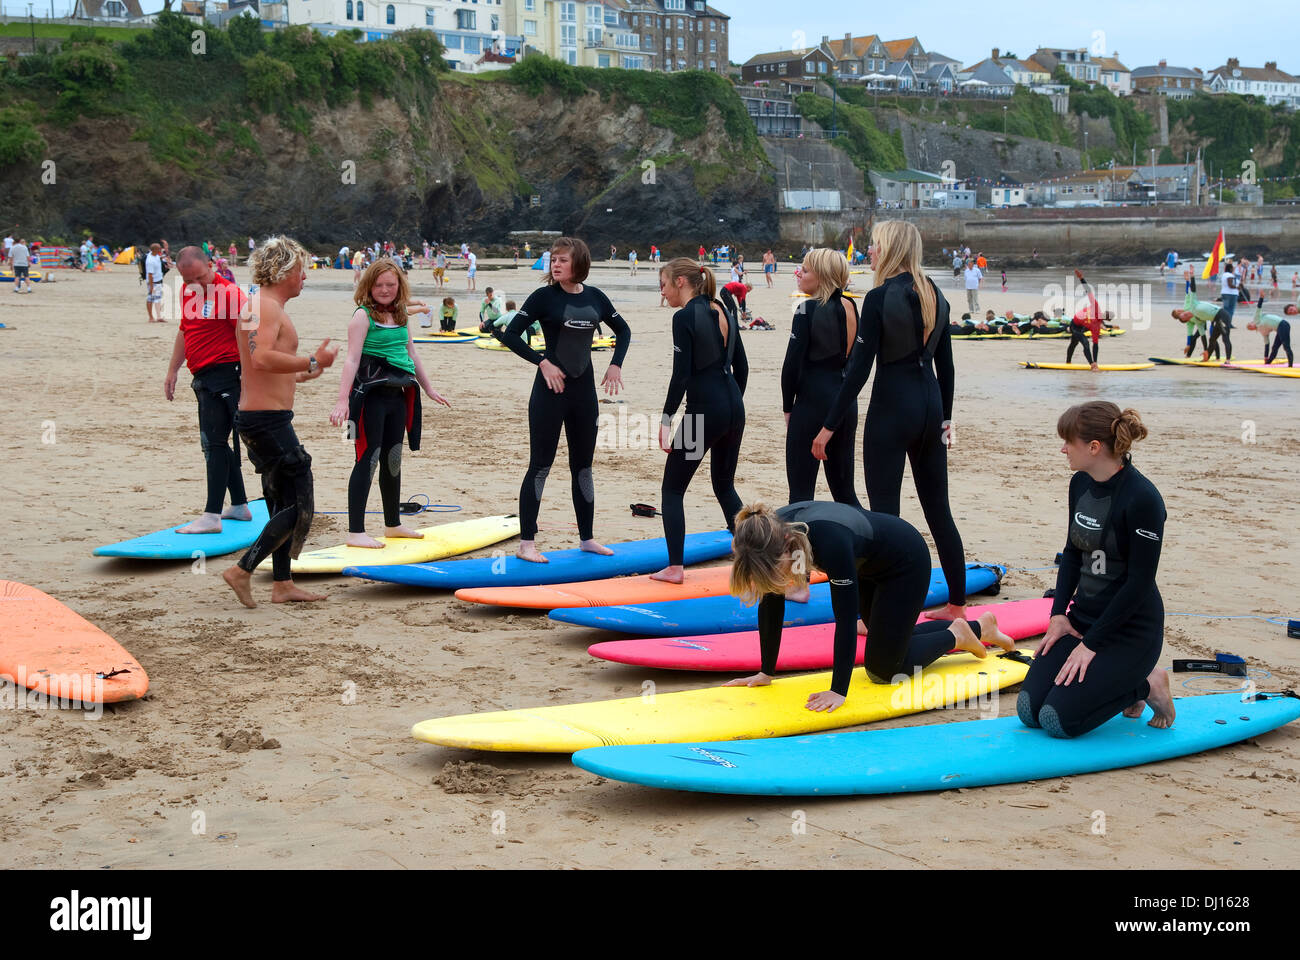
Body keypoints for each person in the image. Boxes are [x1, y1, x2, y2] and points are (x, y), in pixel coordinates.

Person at [812, 220, 969, 623]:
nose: (871, 251)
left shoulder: (881, 297)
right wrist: (947, 419)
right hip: (931, 408)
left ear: (892, 249)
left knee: (884, 519)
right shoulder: (937, 294)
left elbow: (859, 370)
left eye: (876, 245)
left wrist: (828, 426)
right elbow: (948, 369)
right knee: (939, 511)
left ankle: (879, 613)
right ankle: (956, 605)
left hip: (891, 411)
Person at [724, 502, 1014, 712]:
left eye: (778, 567)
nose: (781, 576)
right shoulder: (768, 536)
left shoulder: (828, 542)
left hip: (904, 563)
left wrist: (838, 690)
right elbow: (772, 599)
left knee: (883, 670)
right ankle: (978, 627)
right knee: (887, 639)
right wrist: (766, 672)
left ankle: (957, 635)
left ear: (787, 545)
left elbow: (846, 619)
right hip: (866, 565)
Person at [1018, 403, 1173, 737]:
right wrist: (1059, 615)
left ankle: (1146, 685)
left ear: (1093, 447)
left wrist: (1091, 645)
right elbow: (1073, 552)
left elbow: (1139, 582)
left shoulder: (1143, 499)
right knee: (1029, 711)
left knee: (1057, 721)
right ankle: (1122, 680)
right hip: (1081, 619)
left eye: (1068, 441)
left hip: (1129, 631)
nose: (1062, 448)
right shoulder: (1080, 483)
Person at [499, 237, 631, 563]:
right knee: (540, 466)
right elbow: (510, 334)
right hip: (549, 392)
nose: (555, 264)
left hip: (584, 394)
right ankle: (526, 543)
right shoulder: (544, 297)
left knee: (583, 469)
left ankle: (587, 538)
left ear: (579, 263)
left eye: (562, 260)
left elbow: (624, 331)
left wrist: (615, 364)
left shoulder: (596, 297)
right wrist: (542, 361)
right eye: (553, 259)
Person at [221, 236, 337, 608]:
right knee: (301, 499)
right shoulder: (262, 305)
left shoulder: (268, 305)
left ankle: (283, 584)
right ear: (286, 270)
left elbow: (272, 369)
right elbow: (261, 359)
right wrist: (309, 360)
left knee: (279, 498)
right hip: (264, 420)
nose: (306, 277)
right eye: (302, 269)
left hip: (266, 416)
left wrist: (310, 370)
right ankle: (242, 570)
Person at [329, 259, 451, 549]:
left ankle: (393, 524)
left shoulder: (401, 315)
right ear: (369, 286)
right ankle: (355, 531)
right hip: (369, 398)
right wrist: (341, 400)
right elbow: (351, 360)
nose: (385, 289)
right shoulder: (362, 316)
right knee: (367, 459)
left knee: (393, 459)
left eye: (391, 285)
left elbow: (411, 354)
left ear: (399, 287)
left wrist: (429, 388)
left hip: (398, 396)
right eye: (379, 284)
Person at [650, 258, 748, 584]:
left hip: (703, 412)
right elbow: (742, 366)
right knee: (724, 486)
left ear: (680, 282)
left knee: (672, 489)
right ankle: (757, 557)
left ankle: (675, 567)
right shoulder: (723, 308)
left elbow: (681, 375)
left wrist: (666, 420)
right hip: (734, 406)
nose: (662, 293)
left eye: (663, 285)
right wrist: (730, 404)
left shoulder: (684, 317)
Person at [162, 246, 253, 534]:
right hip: (202, 376)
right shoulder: (188, 292)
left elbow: (253, 334)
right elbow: (185, 331)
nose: (196, 285)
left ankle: (212, 515)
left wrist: (250, 378)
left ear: (212, 265)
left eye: (200, 277)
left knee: (214, 444)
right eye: (189, 280)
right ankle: (238, 505)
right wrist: (173, 369)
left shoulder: (230, 293)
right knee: (217, 443)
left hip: (230, 375)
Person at [782, 248, 861, 508]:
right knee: (844, 492)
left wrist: (787, 408)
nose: (799, 274)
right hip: (845, 405)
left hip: (812, 404)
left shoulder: (806, 309)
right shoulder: (851, 306)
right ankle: (867, 545)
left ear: (822, 276)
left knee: (800, 496)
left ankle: (801, 548)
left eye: (805, 270)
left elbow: (791, 366)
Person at [1171, 279, 1230, 362]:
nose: (1181, 311)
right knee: (1201, 338)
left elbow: (1189, 293)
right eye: (1179, 313)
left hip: (1210, 318)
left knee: (1213, 336)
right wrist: (1189, 344)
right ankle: (1196, 355)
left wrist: (1188, 280)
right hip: (1202, 322)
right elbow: (1193, 334)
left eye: (1179, 310)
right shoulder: (1189, 322)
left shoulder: (1188, 306)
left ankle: (1217, 357)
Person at [1067, 270, 1109, 370]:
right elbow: (1088, 291)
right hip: (1074, 324)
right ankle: (1072, 363)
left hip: (1081, 327)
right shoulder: (1096, 306)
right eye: (1104, 314)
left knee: (1077, 342)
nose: (1102, 315)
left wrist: (1096, 361)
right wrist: (1081, 278)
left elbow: (1095, 346)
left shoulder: (1096, 327)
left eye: (1105, 317)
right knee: (1081, 343)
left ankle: (1091, 364)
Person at [1246, 293, 1296, 367]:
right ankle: (1268, 362)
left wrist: (1261, 298)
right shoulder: (1262, 332)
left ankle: (1290, 365)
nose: (1251, 326)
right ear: (1253, 330)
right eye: (1250, 328)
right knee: (1274, 347)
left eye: (1250, 325)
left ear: (1252, 322)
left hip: (1283, 324)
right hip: (1279, 329)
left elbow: (1258, 308)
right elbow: (1267, 344)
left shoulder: (1257, 319)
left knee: (1286, 346)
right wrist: (1265, 356)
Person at [144, 242, 166, 321]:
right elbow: (150, 274)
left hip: (158, 281)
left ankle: (158, 317)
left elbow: (159, 258)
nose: (160, 249)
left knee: (158, 298)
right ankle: (151, 317)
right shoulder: (150, 261)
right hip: (153, 282)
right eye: (159, 248)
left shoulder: (155, 255)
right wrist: (151, 287)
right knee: (150, 298)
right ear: (155, 250)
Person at [1220, 259, 1240, 323]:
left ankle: (1226, 322)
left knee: (1226, 309)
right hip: (1231, 294)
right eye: (1233, 268)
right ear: (1230, 269)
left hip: (1226, 293)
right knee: (1230, 309)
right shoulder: (1229, 275)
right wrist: (1237, 287)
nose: (1233, 269)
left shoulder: (1224, 275)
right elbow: (1230, 285)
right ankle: (1228, 322)